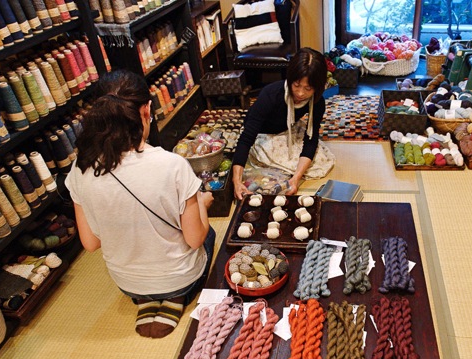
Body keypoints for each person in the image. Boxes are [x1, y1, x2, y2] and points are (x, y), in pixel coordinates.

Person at [65, 69, 216, 339]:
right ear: (146, 110)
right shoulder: (172, 165)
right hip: (180, 276)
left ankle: (146, 298)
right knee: (209, 232)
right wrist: (202, 202)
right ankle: (176, 295)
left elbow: (90, 243)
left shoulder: (81, 168)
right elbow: (195, 239)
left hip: (126, 282)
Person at [232, 47, 336, 200]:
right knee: (280, 164)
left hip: (287, 128)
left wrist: (296, 179)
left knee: (320, 158)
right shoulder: (271, 94)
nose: (300, 93)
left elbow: (311, 139)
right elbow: (247, 137)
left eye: (308, 88)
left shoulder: (317, 102)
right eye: (296, 85)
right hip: (263, 133)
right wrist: (236, 181)